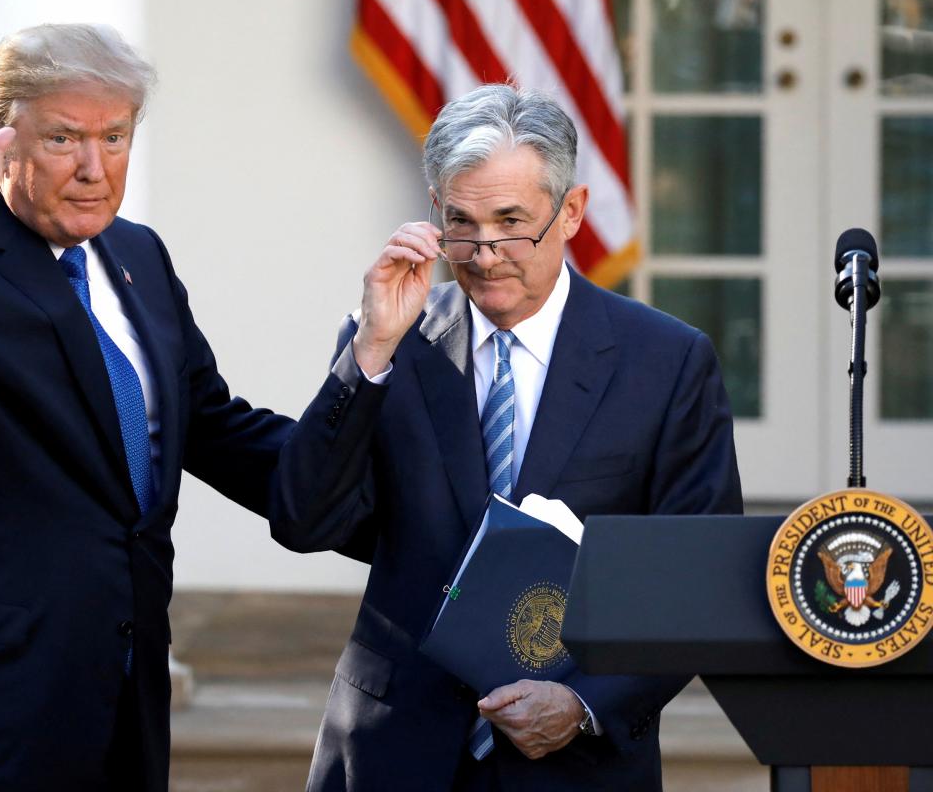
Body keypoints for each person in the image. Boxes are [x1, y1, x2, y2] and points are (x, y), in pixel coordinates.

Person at [0, 24, 291, 792]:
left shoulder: (139, 257)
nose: (94, 167)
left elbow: (212, 426)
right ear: (1, 139)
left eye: (115, 136)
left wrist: (370, 442)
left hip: (115, 695)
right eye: (64, 137)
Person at [270, 84, 743, 791]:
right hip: (394, 753)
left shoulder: (666, 361)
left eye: (512, 222)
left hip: (574, 764)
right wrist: (367, 353)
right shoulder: (389, 341)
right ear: (435, 212)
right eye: (461, 223)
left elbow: (699, 576)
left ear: (571, 212)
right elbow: (304, 518)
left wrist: (584, 700)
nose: (485, 254)